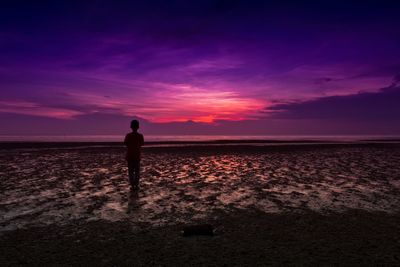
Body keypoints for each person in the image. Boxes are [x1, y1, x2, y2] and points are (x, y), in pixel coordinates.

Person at [124, 119, 144, 190]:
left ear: (131, 127)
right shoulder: (140, 136)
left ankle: (132, 185)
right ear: (138, 127)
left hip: (130, 155)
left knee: (131, 171)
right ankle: (136, 185)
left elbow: (125, 143)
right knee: (137, 171)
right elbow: (142, 143)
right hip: (136, 155)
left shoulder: (128, 135)